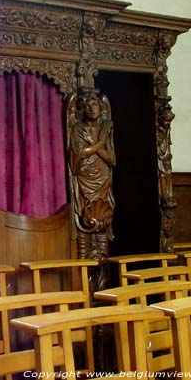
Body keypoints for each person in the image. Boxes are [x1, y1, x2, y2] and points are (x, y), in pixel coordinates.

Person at [69, 90, 115, 262]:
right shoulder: (78, 128)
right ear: (83, 110)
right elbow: (79, 154)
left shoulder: (105, 128)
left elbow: (111, 159)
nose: (92, 108)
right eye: (87, 106)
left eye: (94, 105)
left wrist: (97, 144)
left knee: (102, 219)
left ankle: (100, 265)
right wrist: (99, 143)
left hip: (102, 177)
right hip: (85, 177)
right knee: (86, 218)